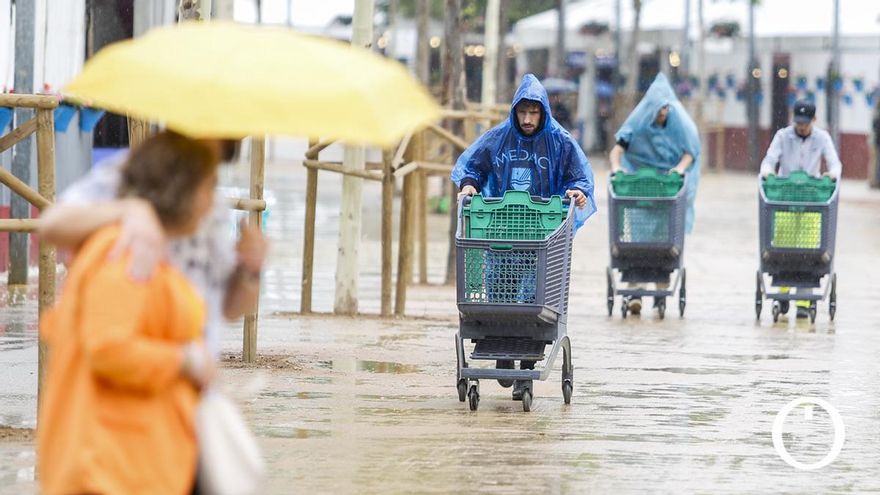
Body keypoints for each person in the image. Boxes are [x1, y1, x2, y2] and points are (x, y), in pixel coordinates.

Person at [37, 132, 222, 494]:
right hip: (111, 465)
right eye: (208, 189)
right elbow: (109, 348)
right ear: (180, 190)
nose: (212, 204)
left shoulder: (153, 251)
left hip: (143, 455)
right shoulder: (126, 253)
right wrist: (184, 360)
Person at [39, 137, 268, 356]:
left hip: (183, 385)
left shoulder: (211, 205)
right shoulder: (134, 173)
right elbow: (51, 224)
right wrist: (127, 210)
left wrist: (250, 270)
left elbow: (227, 308)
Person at [451, 73, 597, 399]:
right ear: (515, 111)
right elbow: (473, 166)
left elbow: (579, 176)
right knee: (500, 296)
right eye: (522, 112)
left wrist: (578, 192)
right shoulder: (499, 138)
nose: (528, 119)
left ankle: (526, 365)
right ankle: (502, 348)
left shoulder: (559, 141)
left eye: (534, 113)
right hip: (502, 231)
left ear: (543, 111)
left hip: (543, 238)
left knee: (536, 301)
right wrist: (470, 184)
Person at [609, 73, 701, 316]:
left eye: (665, 109)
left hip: (667, 190)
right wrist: (617, 168)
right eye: (658, 110)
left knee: (664, 241)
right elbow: (618, 149)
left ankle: (660, 289)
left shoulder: (680, 122)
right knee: (638, 241)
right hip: (640, 187)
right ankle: (635, 290)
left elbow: (690, 152)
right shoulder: (639, 121)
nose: (662, 114)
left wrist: (679, 170)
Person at [759, 99, 842, 318]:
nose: (801, 127)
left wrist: (832, 175)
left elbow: (835, 164)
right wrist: (768, 172)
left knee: (808, 250)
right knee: (784, 247)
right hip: (785, 199)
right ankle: (782, 295)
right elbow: (769, 160)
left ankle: (805, 301)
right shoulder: (783, 136)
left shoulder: (822, 138)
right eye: (798, 122)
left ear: (814, 120)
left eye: (805, 123)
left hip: (812, 201)